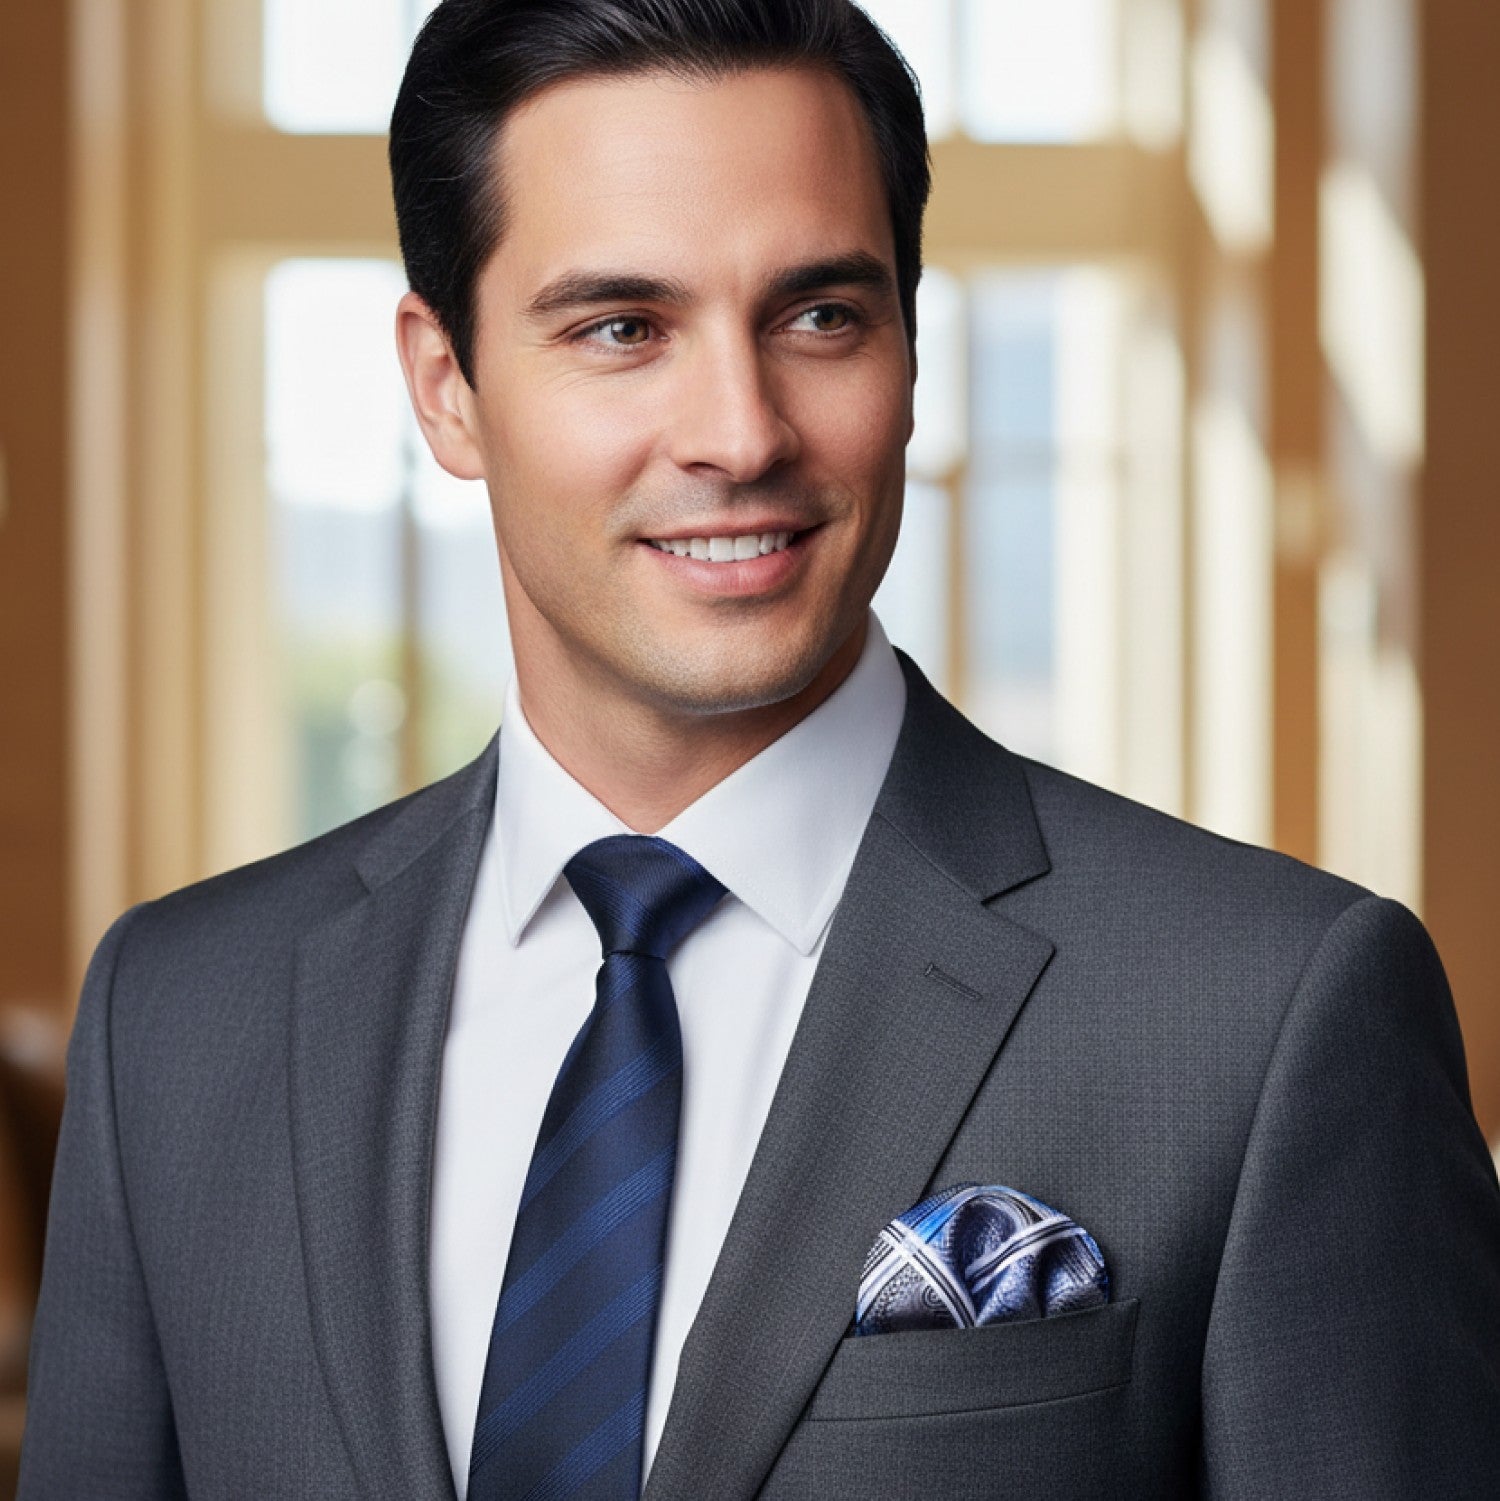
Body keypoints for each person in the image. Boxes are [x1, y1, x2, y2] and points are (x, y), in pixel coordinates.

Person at [19, 1, 1500, 1496]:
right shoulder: (178, 1021)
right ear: (445, 384)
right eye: (623, 327)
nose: (739, 431)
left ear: (913, 348)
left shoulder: (1267, 1013)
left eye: (819, 316)